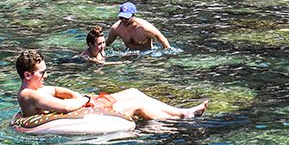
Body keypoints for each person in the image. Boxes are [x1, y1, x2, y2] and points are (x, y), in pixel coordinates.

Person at [15, 50, 206, 123]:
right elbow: (65, 107)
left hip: (82, 106)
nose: (46, 75)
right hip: (79, 114)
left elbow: (56, 91)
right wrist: (85, 99)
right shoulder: (30, 95)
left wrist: (76, 94)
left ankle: (181, 112)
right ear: (27, 74)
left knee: (134, 92)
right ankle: (182, 116)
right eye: (42, 72)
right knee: (137, 104)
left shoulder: (37, 88)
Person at [105, 2, 172, 52]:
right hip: (128, 54)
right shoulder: (116, 28)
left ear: (133, 15)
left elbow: (162, 40)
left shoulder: (145, 28)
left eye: (126, 18)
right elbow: (108, 42)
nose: (123, 20)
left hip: (147, 55)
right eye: (121, 17)